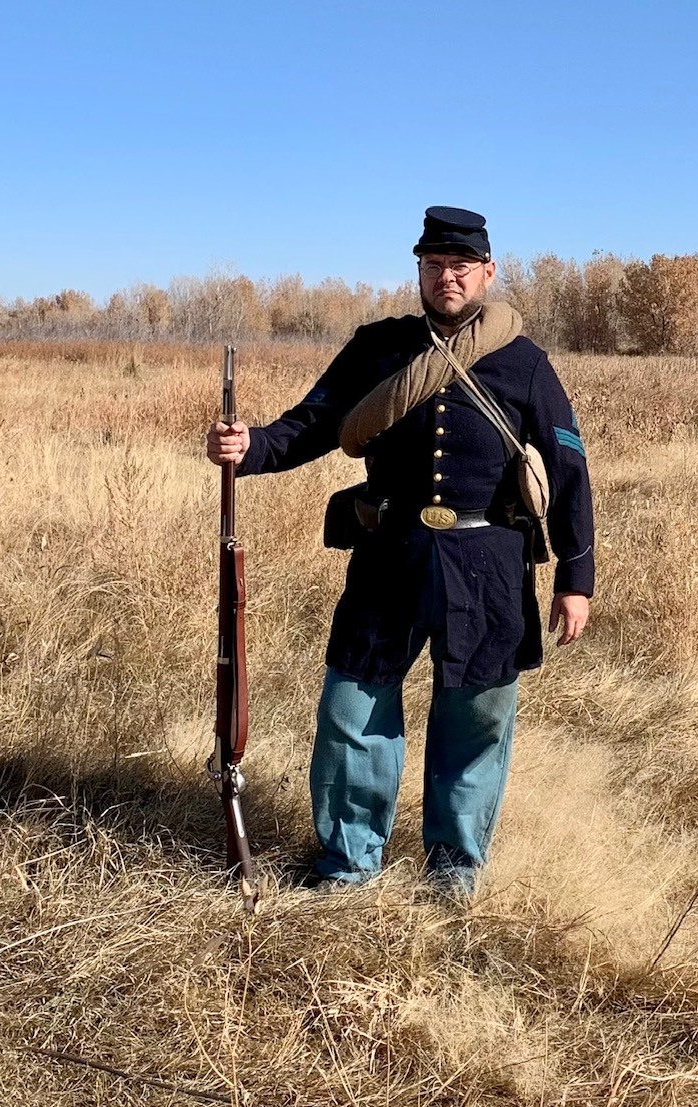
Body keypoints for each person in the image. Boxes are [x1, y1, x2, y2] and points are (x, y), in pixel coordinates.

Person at [206, 206, 594, 898]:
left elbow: (570, 468)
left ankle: (454, 867)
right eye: (435, 264)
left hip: (489, 566)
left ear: (488, 273)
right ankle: (350, 860)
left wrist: (576, 576)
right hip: (390, 555)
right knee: (353, 710)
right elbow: (313, 423)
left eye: (461, 266)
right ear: (418, 269)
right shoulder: (378, 348)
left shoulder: (525, 363)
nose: (448, 277)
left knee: (474, 719)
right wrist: (251, 447)